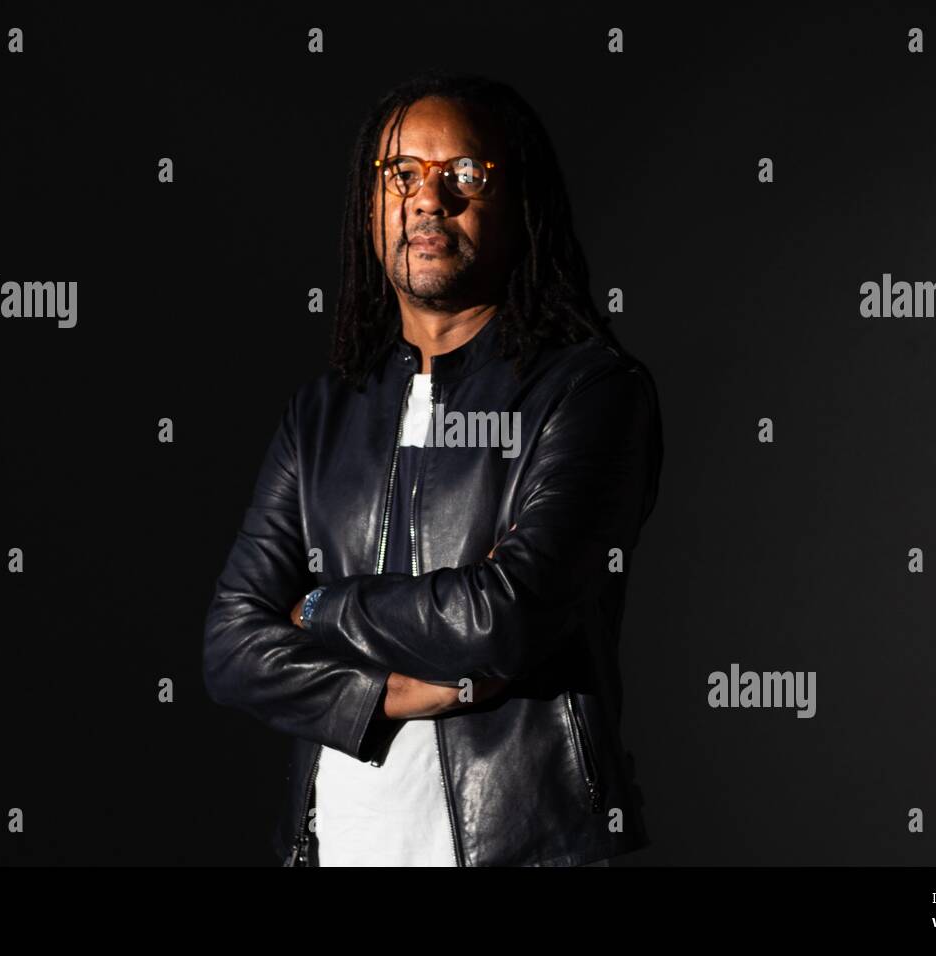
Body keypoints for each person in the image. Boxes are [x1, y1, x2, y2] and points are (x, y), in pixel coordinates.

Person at [203, 69, 663, 867]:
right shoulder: (321, 416)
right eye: (401, 174)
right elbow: (232, 646)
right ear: (370, 205)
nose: (429, 199)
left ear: (518, 203)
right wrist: (379, 695)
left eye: (465, 175)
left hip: (528, 850)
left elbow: (502, 617)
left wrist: (316, 608)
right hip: (331, 850)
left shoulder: (589, 392)